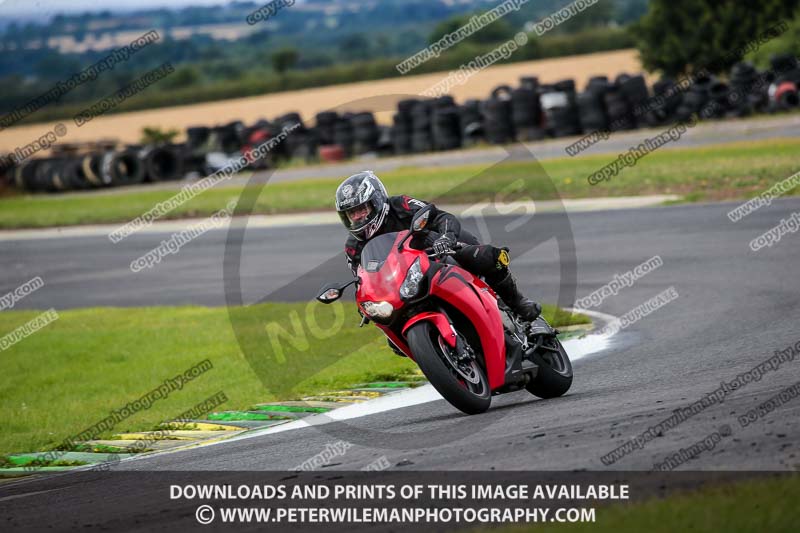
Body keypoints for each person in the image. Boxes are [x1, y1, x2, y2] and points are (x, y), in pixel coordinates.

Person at [336, 170, 541, 321]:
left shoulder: (401, 205)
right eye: (351, 213)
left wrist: (446, 238)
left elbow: (439, 216)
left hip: (438, 250)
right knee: (390, 327)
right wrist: (365, 302)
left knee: (487, 257)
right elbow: (362, 279)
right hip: (405, 281)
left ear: (377, 200)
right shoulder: (353, 247)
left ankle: (518, 303)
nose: (358, 216)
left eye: (361, 208)